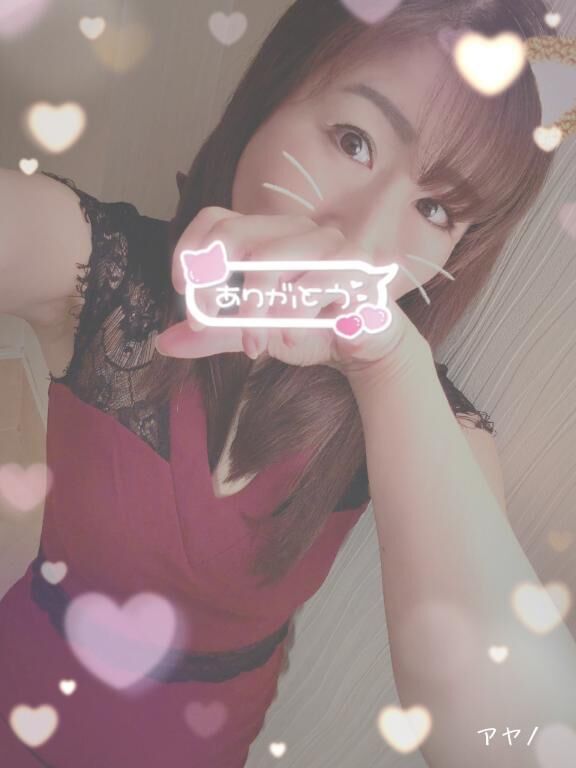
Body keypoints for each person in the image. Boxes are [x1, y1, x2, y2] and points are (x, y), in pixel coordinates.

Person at [0, 1, 566, 766]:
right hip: (23, 693)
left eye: (435, 208)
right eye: (354, 141)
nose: (363, 240)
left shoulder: (418, 416)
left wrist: (383, 360)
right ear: (271, 96)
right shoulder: (101, 276)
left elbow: (526, 745)